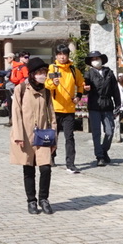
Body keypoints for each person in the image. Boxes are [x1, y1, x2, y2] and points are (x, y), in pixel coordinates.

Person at [10, 57, 56, 214]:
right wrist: (18, 135)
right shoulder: (21, 89)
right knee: (28, 169)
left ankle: (44, 199)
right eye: (39, 72)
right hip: (25, 135)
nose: (42, 75)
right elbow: (15, 113)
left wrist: (54, 138)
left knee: (46, 169)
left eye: (44, 72)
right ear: (32, 74)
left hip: (43, 135)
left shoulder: (47, 92)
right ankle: (31, 201)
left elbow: (52, 116)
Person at [46, 44, 85, 173]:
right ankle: (51, 157)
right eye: (59, 54)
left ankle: (71, 163)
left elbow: (81, 84)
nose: (62, 57)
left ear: (68, 55)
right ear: (56, 56)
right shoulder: (52, 68)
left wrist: (78, 96)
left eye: (64, 54)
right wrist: (53, 83)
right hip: (55, 108)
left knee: (69, 137)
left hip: (69, 109)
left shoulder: (74, 70)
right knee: (53, 136)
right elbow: (47, 84)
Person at [83, 50, 120, 167]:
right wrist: (85, 89)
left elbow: (115, 89)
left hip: (107, 104)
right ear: (90, 62)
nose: (95, 61)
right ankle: (99, 156)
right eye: (93, 59)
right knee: (96, 132)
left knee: (109, 131)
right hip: (94, 104)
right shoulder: (88, 73)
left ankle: (104, 150)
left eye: (97, 58)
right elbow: (84, 87)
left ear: (101, 59)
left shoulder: (109, 72)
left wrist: (118, 104)